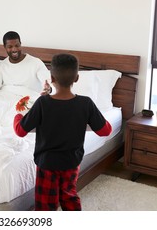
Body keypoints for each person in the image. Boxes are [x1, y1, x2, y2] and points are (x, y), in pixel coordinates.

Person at [13, 53, 112, 211]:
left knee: (45, 205)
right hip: (71, 163)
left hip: (47, 164)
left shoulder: (43, 103)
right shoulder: (86, 104)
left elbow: (20, 130)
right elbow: (105, 131)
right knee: (69, 197)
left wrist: (18, 115)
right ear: (77, 78)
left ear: (51, 78)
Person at [0, 31, 51, 95]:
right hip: (3, 98)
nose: (14, 49)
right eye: (10, 47)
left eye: (17, 45)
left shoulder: (36, 63)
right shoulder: (1, 66)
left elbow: (47, 81)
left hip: (27, 100)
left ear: (20, 44)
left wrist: (49, 88)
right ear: (5, 47)